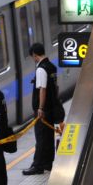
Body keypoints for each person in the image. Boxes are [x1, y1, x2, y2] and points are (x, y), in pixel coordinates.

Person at [25, 43, 62, 175]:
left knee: (41, 137)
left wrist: (40, 108)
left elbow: (42, 89)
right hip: (51, 108)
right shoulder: (51, 67)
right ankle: (48, 163)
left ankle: (38, 165)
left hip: (43, 110)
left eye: (32, 57)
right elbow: (55, 88)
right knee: (48, 137)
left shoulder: (41, 69)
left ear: (35, 55)